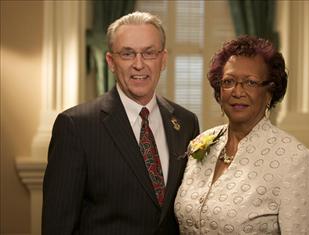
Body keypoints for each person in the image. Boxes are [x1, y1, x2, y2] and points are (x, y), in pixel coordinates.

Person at [42, 12, 199, 235]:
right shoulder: (75, 127)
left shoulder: (185, 123)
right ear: (111, 62)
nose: (139, 64)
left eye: (149, 53)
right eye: (127, 54)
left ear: (163, 59)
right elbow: (58, 226)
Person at [174, 35, 309, 234]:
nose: (237, 91)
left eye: (250, 83)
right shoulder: (202, 143)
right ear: (219, 91)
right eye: (228, 81)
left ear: (269, 91)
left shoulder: (295, 160)